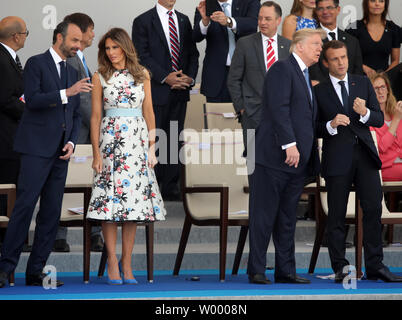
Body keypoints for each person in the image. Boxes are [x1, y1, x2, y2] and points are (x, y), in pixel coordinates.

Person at [0, 20, 93, 288]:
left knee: (51, 213)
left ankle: (35, 270)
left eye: (80, 42)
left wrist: (72, 143)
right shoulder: (35, 64)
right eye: (74, 41)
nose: (78, 46)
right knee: (24, 208)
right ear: (59, 38)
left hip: (60, 154)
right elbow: (33, 99)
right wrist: (67, 92)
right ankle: (6, 268)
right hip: (34, 150)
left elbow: (75, 114)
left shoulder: (73, 71)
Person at [315, 40, 402, 283]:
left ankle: (375, 266)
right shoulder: (319, 91)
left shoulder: (362, 83)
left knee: (373, 209)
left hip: (365, 156)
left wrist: (364, 112)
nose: (341, 62)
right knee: (337, 215)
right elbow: (312, 127)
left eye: (343, 57)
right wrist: (330, 126)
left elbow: (376, 119)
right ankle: (341, 267)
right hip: (336, 158)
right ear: (326, 62)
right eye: (335, 59)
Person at [86, 28, 166, 285]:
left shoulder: (142, 74)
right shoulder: (100, 76)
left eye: (114, 47)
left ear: (125, 47)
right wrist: (96, 153)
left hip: (137, 143)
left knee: (132, 208)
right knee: (110, 206)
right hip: (110, 143)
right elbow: (96, 117)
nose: (110, 53)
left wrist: (152, 148)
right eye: (107, 49)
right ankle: (111, 261)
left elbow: (150, 113)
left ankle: (127, 263)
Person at [247, 28, 324, 284]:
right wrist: (289, 144)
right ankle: (256, 269)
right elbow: (278, 109)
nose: (319, 48)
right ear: (299, 46)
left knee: (287, 217)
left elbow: (304, 118)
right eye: (315, 43)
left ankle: (285, 270)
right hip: (273, 157)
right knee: (263, 215)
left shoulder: (305, 74)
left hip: (296, 162)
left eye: (320, 44)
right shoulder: (282, 69)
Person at [132, 0, 199, 201]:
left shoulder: (184, 20)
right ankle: (152, 185)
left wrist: (189, 78)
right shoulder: (143, 21)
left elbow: (192, 54)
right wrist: (165, 77)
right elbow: (141, 56)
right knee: (154, 137)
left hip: (180, 91)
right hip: (156, 90)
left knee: (173, 138)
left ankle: (171, 187)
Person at [51, 12, 104, 253]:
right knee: (66, 184)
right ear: (81, 33)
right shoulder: (71, 60)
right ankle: (58, 234)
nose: (94, 34)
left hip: (83, 133)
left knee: (89, 183)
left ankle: (93, 234)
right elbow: (83, 101)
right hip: (78, 134)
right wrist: (99, 124)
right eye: (91, 30)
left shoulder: (81, 58)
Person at [227, 1, 291, 155]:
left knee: (278, 162)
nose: (262, 22)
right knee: (254, 162)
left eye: (267, 19)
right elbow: (233, 79)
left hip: (282, 115)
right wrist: (241, 108)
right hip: (252, 114)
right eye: (260, 18)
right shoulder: (245, 44)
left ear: (278, 20)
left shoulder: (289, 46)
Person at [194, 0, 260, 103]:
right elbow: (196, 37)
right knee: (215, 117)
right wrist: (205, 22)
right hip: (216, 76)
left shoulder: (249, 2)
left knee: (244, 117)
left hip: (243, 73)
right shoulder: (206, 5)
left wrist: (229, 21)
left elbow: (253, 24)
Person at [0, 16, 28, 244]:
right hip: (5, 140)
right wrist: (30, 110)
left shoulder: (10, 58)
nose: (26, 37)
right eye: (26, 33)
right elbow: (5, 99)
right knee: (6, 191)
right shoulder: (1, 59)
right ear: (16, 36)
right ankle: (6, 239)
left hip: (13, 139)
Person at [309, 0, 364, 85]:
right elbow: (313, 71)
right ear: (316, 11)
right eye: (320, 9)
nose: (325, 12)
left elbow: (357, 72)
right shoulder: (311, 40)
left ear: (338, 9)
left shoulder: (352, 41)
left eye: (329, 8)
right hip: (322, 92)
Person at [346, 0, 400, 77]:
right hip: (359, 79)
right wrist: (363, 67)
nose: (377, 4)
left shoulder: (393, 29)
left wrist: (383, 77)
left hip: (384, 82)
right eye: (373, 1)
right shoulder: (353, 28)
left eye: (381, 1)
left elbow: (395, 61)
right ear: (366, 3)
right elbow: (347, 57)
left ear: (385, 4)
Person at [370, 72, 402, 181]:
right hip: (386, 167)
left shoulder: (395, 113)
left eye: (383, 87)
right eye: (376, 88)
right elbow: (382, 147)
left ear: (388, 90)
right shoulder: (369, 119)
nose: (380, 91)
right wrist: (397, 120)